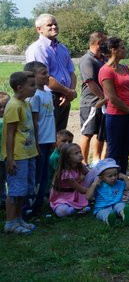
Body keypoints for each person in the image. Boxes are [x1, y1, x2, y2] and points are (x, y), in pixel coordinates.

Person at [99, 37, 129, 174]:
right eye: (122, 47)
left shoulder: (125, 68)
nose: (125, 49)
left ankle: (122, 187)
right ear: (113, 50)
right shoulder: (105, 71)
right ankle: (112, 190)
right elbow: (112, 98)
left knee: (126, 151)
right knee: (115, 152)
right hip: (116, 117)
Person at [25, 13, 77, 131]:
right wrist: (68, 92)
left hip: (64, 98)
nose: (54, 27)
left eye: (55, 24)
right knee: (47, 136)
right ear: (39, 29)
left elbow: (71, 72)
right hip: (47, 98)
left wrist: (70, 92)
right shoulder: (37, 49)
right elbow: (44, 78)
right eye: (49, 25)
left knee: (60, 136)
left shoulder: (62, 48)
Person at [2, 71, 38, 234]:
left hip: (28, 153)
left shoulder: (25, 103)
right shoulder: (14, 106)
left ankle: (18, 219)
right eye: (32, 85)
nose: (35, 88)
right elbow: (9, 134)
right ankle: (10, 222)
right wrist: (10, 158)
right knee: (15, 190)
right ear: (19, 87)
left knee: (23, 189)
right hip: (17, 156)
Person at [23, 61, 56, 216]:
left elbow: (51, 119)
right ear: (32, 76)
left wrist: (53, 138)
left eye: (46, 72)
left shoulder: (48, 93)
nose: (47, 75)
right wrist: (36, 143)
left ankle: (39, 205)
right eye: (43, 73)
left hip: (48, 141)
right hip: (39, 143)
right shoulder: (34, 96)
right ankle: (29, 208)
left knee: (44, 176)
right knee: (35, 177)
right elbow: (34, 122)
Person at [78, 31, 108, 166]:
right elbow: (90, 82)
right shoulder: (87, 60)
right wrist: (104, 97)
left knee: (101, 134)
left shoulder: (103, 59)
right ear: (98, 43)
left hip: (103, 103)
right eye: (105, 43)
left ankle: (97, 161)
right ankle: (83, 163)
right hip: (91, 102)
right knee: (87, 133)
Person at [86, 158, 129, 227]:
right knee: (103, 213)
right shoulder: (98, 185)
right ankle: (109, 219)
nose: (113, 177)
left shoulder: (119, 183)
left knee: (120, 206)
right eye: (110, 176)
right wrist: (94, 184)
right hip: (101, 208)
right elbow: (88, 197)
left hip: (116, 204)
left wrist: (125, 178)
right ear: (101, 178)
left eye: (115, 174)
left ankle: (124, 214)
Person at [49, 143, 90, 217]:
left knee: (96, 173)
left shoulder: (79, 165)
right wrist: (93, 189)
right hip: (62, 198)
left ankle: (76, 209)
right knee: (61, 211)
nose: (80, 155)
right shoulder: (66, 173)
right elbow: (81, 190)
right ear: (68, 158)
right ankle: (75, 209)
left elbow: (90, 174)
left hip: (75, 194)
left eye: (80, 152)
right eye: (76, 153)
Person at [0, 91, 10, 209]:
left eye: (5, 106)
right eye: (0, 107)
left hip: (7, 156)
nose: (2, 110)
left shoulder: (9, 121)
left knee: (9, 178)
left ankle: (7, 199)